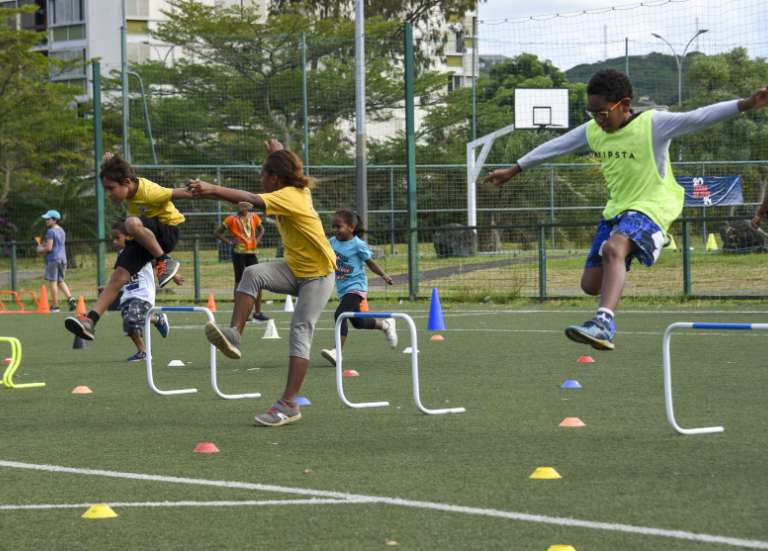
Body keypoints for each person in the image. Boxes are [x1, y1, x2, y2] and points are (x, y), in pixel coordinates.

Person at [486, 69, 768, 351]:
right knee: (590, 284)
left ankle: (604, 323)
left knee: (612, 248)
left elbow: (697, 117)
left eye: (603, 113)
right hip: (617, 210)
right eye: (592, 112)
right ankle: (625, 253)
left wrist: (748, 103)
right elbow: (556, 146)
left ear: (623, 104)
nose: (598, 119)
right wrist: (515, 169)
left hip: (654, 206)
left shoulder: (653, 124)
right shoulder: (593, 131)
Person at [187, 139, 336, 427]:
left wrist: (212, 189)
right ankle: (234, 334)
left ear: (276, 178)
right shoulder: (294, 188)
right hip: (295, 268)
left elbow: (250, 198)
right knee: (252, 273)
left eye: (263, 175)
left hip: (318, 275)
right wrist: (276, 153)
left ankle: (289, 404)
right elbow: (289, 168)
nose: (260, 179)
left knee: (300, 330)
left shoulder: (290, 196)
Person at [64, 153, 194, 341]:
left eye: (111, 189)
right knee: (118, 276)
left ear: (126, 182)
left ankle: (164, 261)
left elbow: (183, 193)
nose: (108, 194)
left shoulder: (150, 192)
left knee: (131, 223)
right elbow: (119, 171)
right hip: (148, 236)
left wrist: (199, 187)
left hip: (168, 231)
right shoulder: (129, 190)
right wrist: (109, 163)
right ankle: (90, 321)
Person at [320, 208, 397, 367]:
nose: (334, 230)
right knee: (359, 322)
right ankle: (385, 325)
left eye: (338, 226)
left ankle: (337, 352)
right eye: (333, 226)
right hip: (343, 289)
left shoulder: (358, 245)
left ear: (351, 228)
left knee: (340, 314)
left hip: (356, 287)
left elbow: (370, 263)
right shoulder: (332, 242)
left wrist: (383, 275)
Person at [111, 219, 183, 362]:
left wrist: (173, 276)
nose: (114, 241)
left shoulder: (140, 249)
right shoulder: (120, 254)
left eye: (117, 237)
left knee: (133, 318)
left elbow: (160, 260)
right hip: (129, 292)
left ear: (130, 236)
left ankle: (158, 318)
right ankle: (143, 351)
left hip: (143, 292)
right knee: (129, 323)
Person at [214, 201, 269, 322]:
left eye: (243, 208)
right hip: (238, 253)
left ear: (247, 209)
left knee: (258, 281)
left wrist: (257, 240)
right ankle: (239, 313)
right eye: (239, 207)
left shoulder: (254, 217)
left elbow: (262, 230)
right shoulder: (230, 219)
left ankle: (258, 312)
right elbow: (217, 233)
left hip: (252, 253)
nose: (240, 209)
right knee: (239, 281)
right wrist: (229, 242)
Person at [36, 209, 76, 313]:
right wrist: (44, 245)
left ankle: (55, 306)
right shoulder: (61, 230)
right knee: (60, 281)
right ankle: (71, 299)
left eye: (48, 219)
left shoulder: (50, 231)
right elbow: (56, 244)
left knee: (53, 282)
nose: (46, 220)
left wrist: (40, 249)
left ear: (54, 220)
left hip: (53, 259)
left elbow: (49, 248)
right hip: (63, 259)